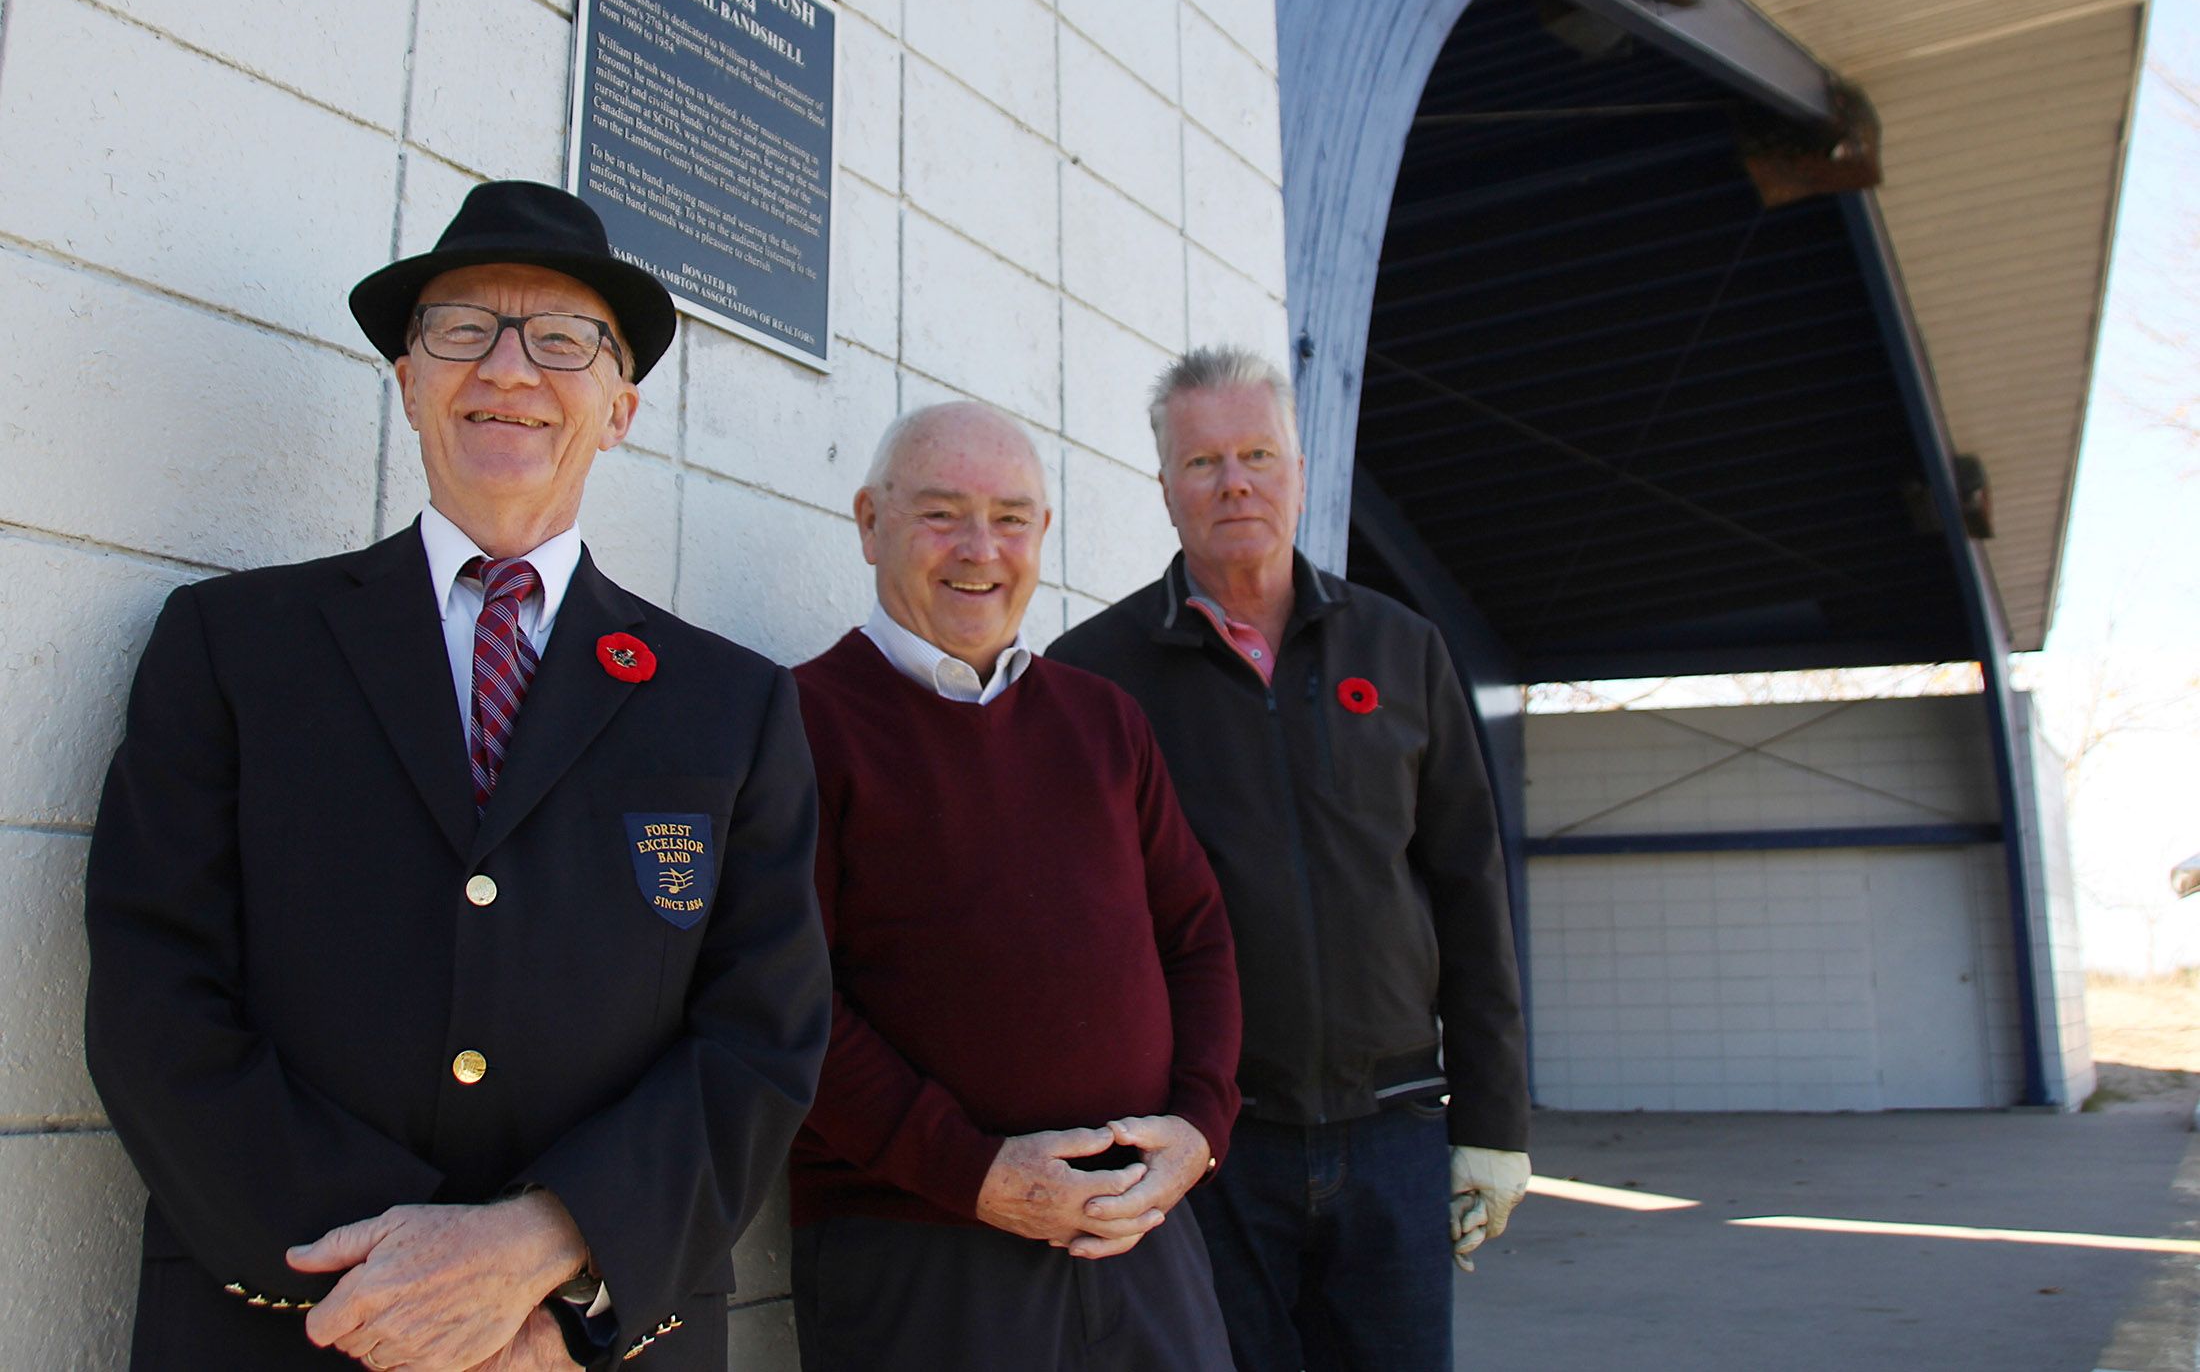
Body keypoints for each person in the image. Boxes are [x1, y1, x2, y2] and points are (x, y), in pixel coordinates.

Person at [83, 180, 831, 1371]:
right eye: (462, 329)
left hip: (582, 1344)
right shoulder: (232, 649)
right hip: (293, 1324)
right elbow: (153, 995)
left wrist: (550, 1256)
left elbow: (763, 1037)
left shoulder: (731, 705)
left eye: (563, 339)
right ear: (408, 380)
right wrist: (415, 1286)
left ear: (620, 409)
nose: (508, 368)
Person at [1050, 346, 1532, 1371]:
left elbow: (1469, 889)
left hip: (1394, 1132)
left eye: (1258, 455)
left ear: (1300, 474)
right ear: (1165, 487)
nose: (1235, 483)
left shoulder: (1402, 651)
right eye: (1203, 462)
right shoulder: (1092, 677)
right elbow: (1073, 928)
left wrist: (1495, 1122)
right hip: (1206, 1145)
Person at [787, 401, 1242, 1371]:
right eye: (941, 514)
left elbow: (1196, 935)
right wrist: (974, 1173)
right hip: (922, 1253)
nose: (980, 550)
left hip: (1142, 1240)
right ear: (869, 522)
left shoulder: (1104, 721)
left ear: (1042, 533)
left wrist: (1200, 1129)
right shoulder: (797, 724)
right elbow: (785, 1001)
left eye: (1010, 518)